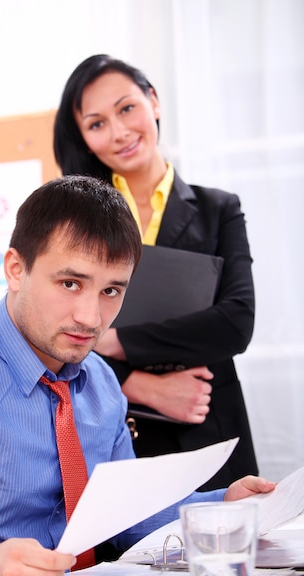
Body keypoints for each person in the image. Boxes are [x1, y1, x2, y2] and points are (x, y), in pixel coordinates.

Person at [0, 175, 274, 576]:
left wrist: (220, 505)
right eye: (71, 283)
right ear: (15, 269)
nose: (91, 318)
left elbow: (125, 516)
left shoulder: (101, 382)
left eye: (111, 290)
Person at [54, 54, 259, 490]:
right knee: (130, 553)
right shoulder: (75, 223)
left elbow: (235, 322)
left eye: (127, 108)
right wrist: (138, 384)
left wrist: (117, 341)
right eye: (96, 123)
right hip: (118, 433)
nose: (120, 132)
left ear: (153, 101)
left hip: (208, 427)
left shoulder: (217, 209)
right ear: (85, 140)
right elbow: (55, 332)